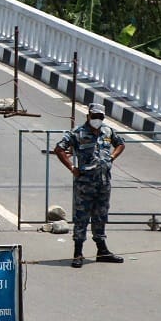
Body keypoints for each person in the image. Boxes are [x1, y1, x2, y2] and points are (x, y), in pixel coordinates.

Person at [55, 102, 126, 268]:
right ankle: (78, 252)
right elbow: (59, 149)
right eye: (94, 116)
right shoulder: (78, 133)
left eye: (100, 117)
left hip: (103, 182)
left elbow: (121, 143)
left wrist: (112, 157)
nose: (97, 119)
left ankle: (102, 250)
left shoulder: (107, 131)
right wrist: (72, 167)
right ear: (88, 116)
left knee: (101, 216)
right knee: (82, 217)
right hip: (85, 184)